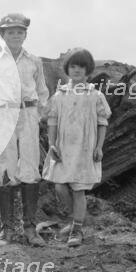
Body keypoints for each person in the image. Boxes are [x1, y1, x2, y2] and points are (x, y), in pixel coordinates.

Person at [0, 13, 49, 247]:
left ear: (25, 34)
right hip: (4, 115)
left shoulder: (34, 61)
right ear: (3, 35)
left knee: (30, 167)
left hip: (28, 114)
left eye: (19, 32)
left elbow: (42, 91)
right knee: (4, 168)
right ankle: (6, 229)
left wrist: (38, 115)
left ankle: (29, 228)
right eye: (10, 32)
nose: (15, 35)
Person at [43, 47, 112, 247]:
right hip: (64, 148)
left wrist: (99, 147)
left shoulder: (95, 95)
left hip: (85, 148)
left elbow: (102, 123)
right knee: (59, 185)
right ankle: (76, 219)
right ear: (67, 69)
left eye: (81, 67)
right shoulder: (59, 95)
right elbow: (52, 121)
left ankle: (77, 230)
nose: (77, 70)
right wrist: (52, 144)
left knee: (79, 189)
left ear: (88, 70)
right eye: (73, 66)